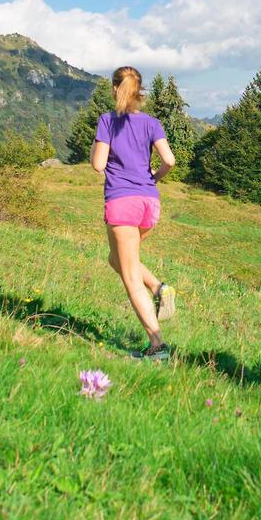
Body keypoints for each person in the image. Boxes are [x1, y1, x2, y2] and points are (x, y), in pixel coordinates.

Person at [91, 66, 179, 361]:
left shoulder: (107, 121)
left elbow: (98, 164)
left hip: (122, 202)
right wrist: (153, 177)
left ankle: (157, 347)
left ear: (115, 88)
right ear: (139, 91)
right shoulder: (152, 122)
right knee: (116, 258)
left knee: (129, 275)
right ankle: (158, 287)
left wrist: (98, 147)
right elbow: (169, 160)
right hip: (149, 202)